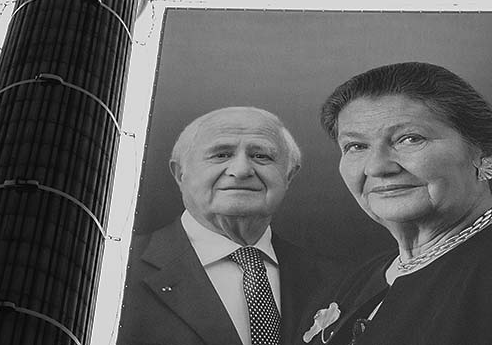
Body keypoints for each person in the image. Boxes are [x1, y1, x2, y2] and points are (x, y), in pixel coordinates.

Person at [301, 62, 492, 345]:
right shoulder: (350, 283)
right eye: (356, 146)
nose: (377, 167)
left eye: (410, 139)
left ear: (485, 155)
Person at [121, 106, 339, 345]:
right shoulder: (118, 268)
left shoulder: (335, 280)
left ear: (289, 176)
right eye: (221, 154)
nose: (242, 170)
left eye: (262, 156)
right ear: (180, 173)